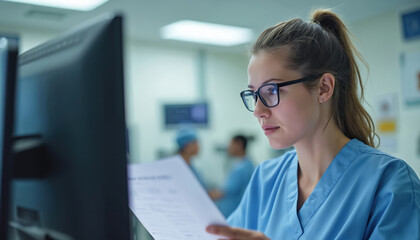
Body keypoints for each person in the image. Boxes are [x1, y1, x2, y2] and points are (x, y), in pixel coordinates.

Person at [206, 9, 420, 240]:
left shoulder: (389, 184)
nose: (259, 111)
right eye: (254, 95)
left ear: (323, 88)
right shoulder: (266, 180)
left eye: (272, 91)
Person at [209, 135, 254, 217]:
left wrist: (205, 196)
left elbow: (224, 192)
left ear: (239, 144)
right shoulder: (245, 164)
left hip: (232, 213)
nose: (228, 147)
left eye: (231, 144)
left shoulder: (242, 168)